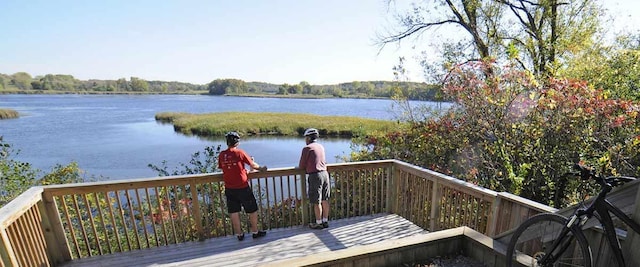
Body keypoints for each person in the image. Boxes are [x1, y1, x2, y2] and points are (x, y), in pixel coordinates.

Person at [218, 131, 267, 241]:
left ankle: (239, 234)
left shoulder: (222, 155)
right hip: (242, 187)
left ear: (227, 142)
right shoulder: (240, 153)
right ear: (237, 142)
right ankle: (255, 232)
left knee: (234, 211)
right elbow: (252, 165)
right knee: (252, 210)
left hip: (229, 188)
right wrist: (262, 168)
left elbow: (223, 168)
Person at [298, 128, 330, 229]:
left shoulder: (307, 148)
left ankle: (318, 222)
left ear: (308, 138)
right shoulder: (321, 147)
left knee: (316, 201)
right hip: (325, 173)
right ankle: (325, 220)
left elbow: (301, 165)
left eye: (305, 138)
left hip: (315, 175)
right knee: (325, 199)